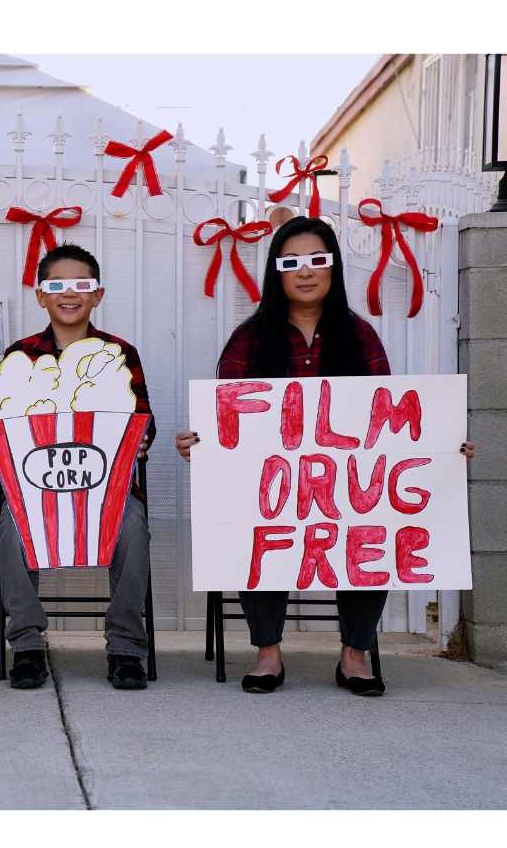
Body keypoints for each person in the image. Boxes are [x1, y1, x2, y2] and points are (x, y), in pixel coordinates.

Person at [176, 215, 475, 696]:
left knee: (369, 524)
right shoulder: (249, 339)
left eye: (318, 259)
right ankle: (268, 654)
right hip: (272, 486)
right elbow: (225, 420)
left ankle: (354, 656)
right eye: (291, 261)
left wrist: (441, 447)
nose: (305, 271)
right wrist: (201, 444)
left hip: (348, 486)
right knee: (258, 525)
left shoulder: (361, 338)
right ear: (276, 271)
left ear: (334, 269)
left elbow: (393, 423)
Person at [0, 243, 156, 690]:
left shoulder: (120, 353)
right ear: (40, 296)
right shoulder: (20, 355)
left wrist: (136, 444)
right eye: (56, 285)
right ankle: (26, 643)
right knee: (11, 527)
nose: (69, 293)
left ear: (97, 295)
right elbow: (4, 422)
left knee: (133, 526)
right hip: (36, 490)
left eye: (81, 285)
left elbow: (145, 421)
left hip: (108, 489)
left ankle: (126, 647)